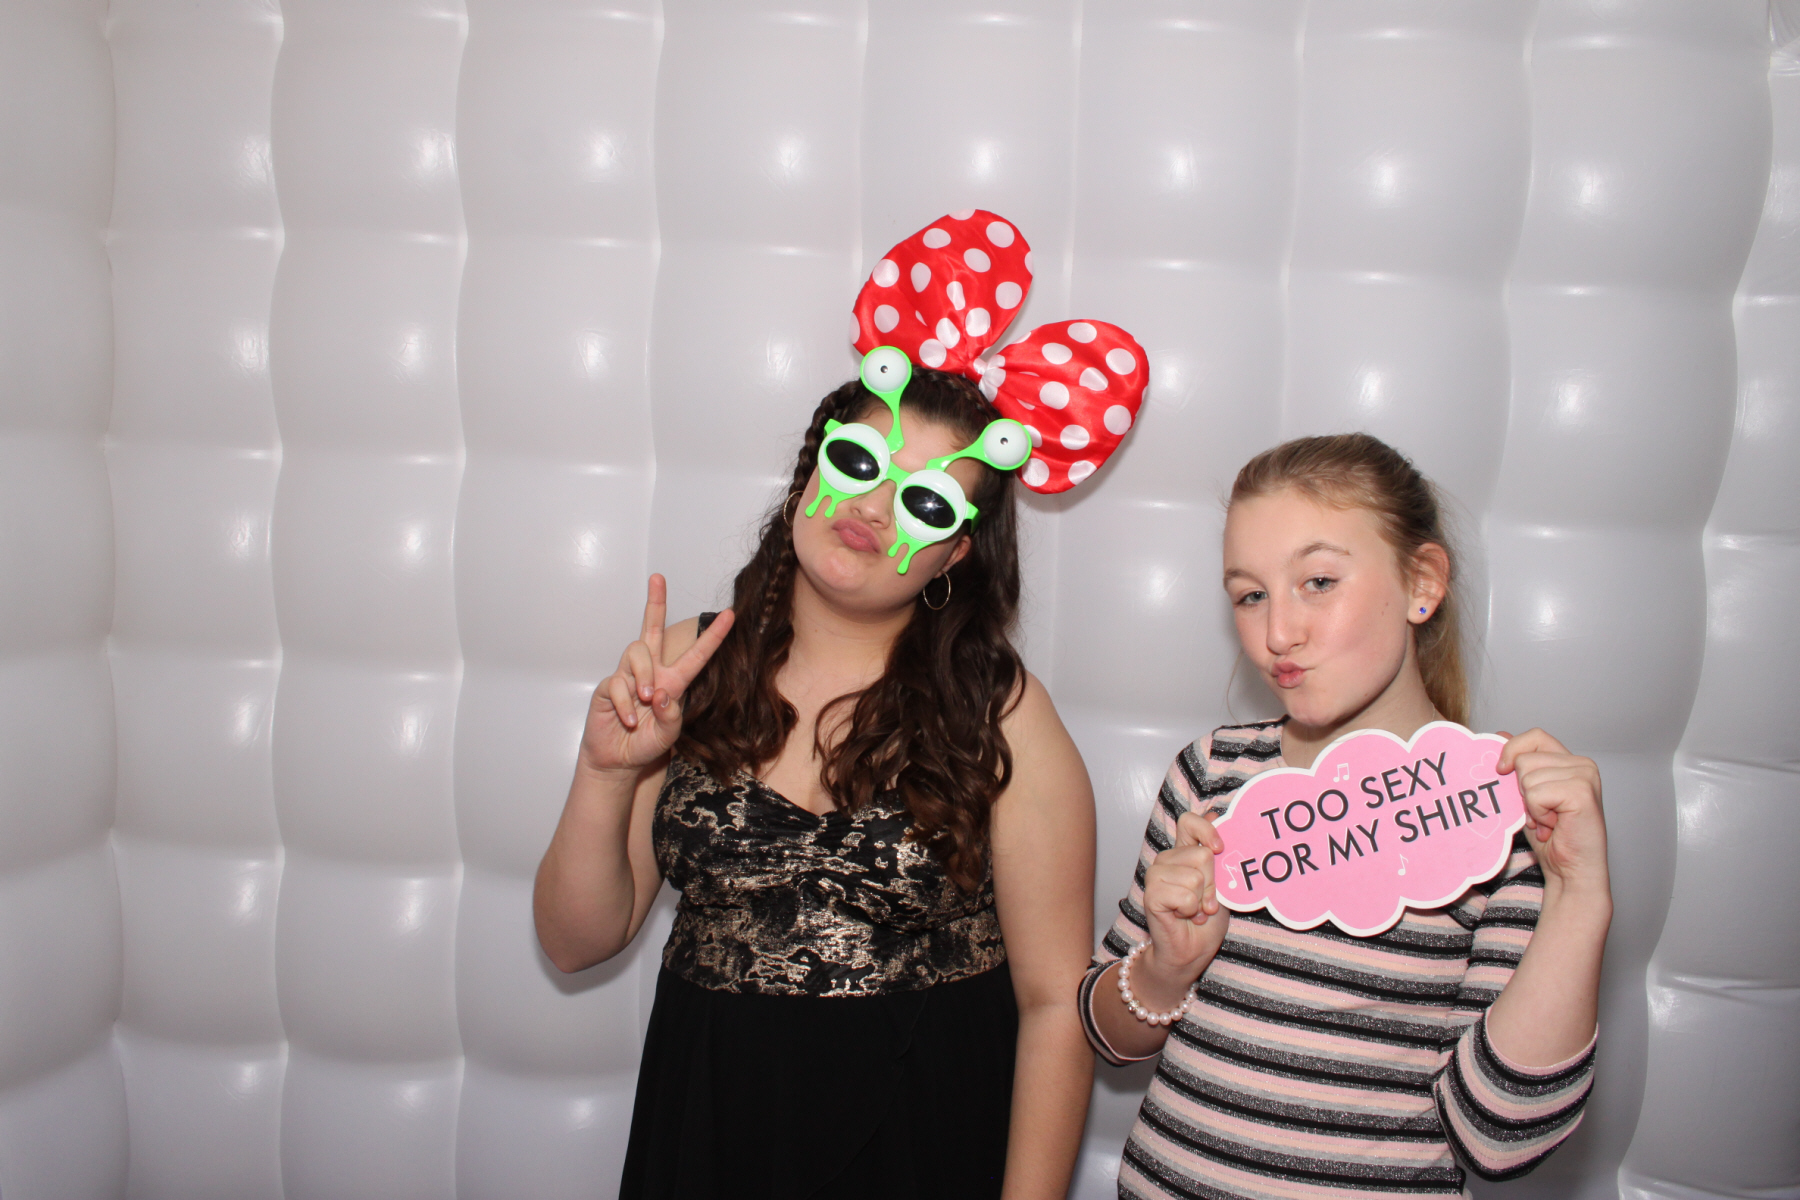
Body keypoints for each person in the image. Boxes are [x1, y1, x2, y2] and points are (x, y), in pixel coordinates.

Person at [533, 358, 1098, 1198]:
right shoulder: (690, 664)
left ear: (953, 554)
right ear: (811, 472)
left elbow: (1056, 1004)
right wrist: (605, 772)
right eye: (859, 463)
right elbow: (574, 943)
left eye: (926, 502)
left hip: (926, 1142)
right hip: (709, 1130)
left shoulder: (1002, 711)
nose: (873, 507)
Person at [1082, 433, 1611, 1198]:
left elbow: (1501, 1138)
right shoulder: (1213, 772)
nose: (1278, 634)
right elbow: (1106, 1033)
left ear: (1422, 582)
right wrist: (1168, 968)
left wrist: (1579, 897)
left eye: (1319, 582)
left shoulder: (1503, 816)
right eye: (1250, 595)